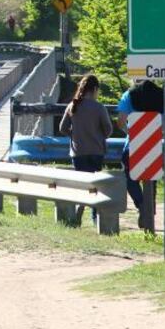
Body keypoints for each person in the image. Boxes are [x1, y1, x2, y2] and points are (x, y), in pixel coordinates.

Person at [60, 75, 113, 223]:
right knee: (95, 184)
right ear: (95, 89)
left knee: (83, 183)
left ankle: (80, 208)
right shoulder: (99, 107)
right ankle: (95, 217)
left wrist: (74, 133)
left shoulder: (73, 105)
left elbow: (62, 128)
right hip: (96, 151)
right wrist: (98, 134)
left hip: (78, 152)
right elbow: (108, 130)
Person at [115, 82, 149, 214]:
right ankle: (150, 210)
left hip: (133, 143)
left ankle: (142, 206)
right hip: (154, 143)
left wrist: (130, 131)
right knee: (150, 179)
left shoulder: (128, 95)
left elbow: (120, 121)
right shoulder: (159, 94)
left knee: (129, 178)